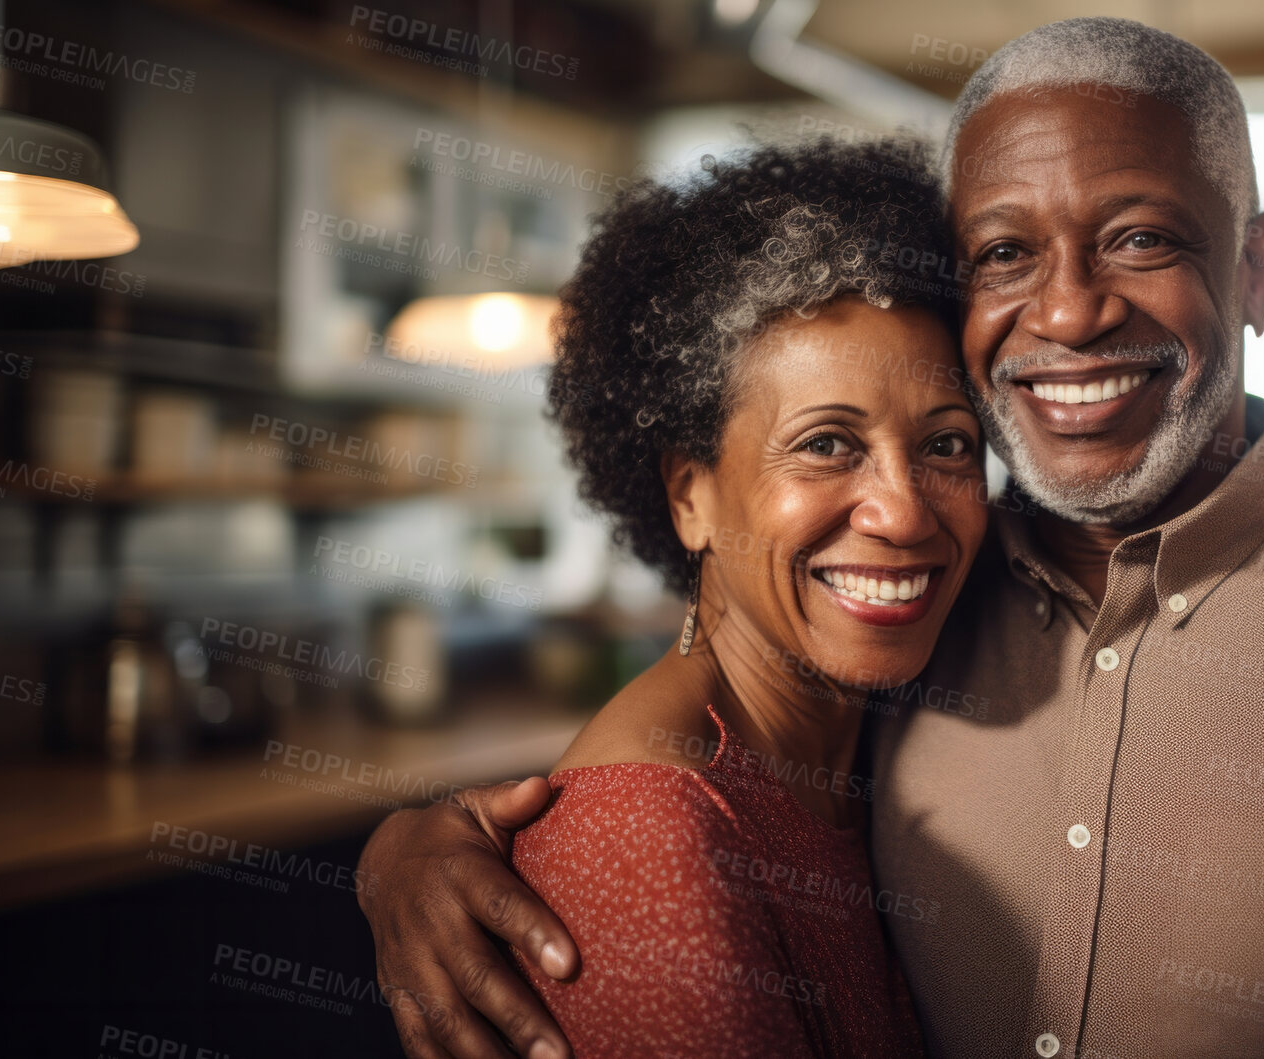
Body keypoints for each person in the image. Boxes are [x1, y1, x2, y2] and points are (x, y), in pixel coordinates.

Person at [357, 18, 1264, 1059]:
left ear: (1258, 269)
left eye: (1141, 237)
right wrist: (414, 846)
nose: (1073, 310)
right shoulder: (912, 603)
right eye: (1002, 251)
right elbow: (697, 729)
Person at [378, 138, 983, 1057]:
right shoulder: (650, 845)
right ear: (689, 493)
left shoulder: (862, 736)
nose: (902, 513)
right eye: (825, 443)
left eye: (946, 445)